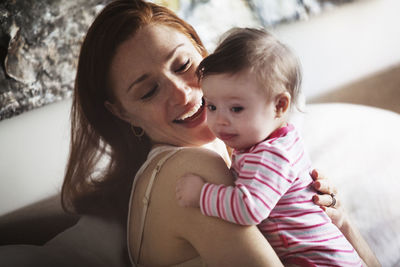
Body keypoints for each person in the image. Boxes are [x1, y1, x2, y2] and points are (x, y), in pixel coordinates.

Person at [0, 1, 378, 267]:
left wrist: (340, 223)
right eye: (148, 91)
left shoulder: (248, 155)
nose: (182, 93)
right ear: (121, 112)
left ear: (205, 54)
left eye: (184, 65)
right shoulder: (191, 170)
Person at [175, 27, 374, 266]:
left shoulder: (272, 154)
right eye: (212, 106)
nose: (219, 120)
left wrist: (201, 193)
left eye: (236, 108)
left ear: (279, 106)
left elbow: (250, 209)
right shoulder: (270, 143)